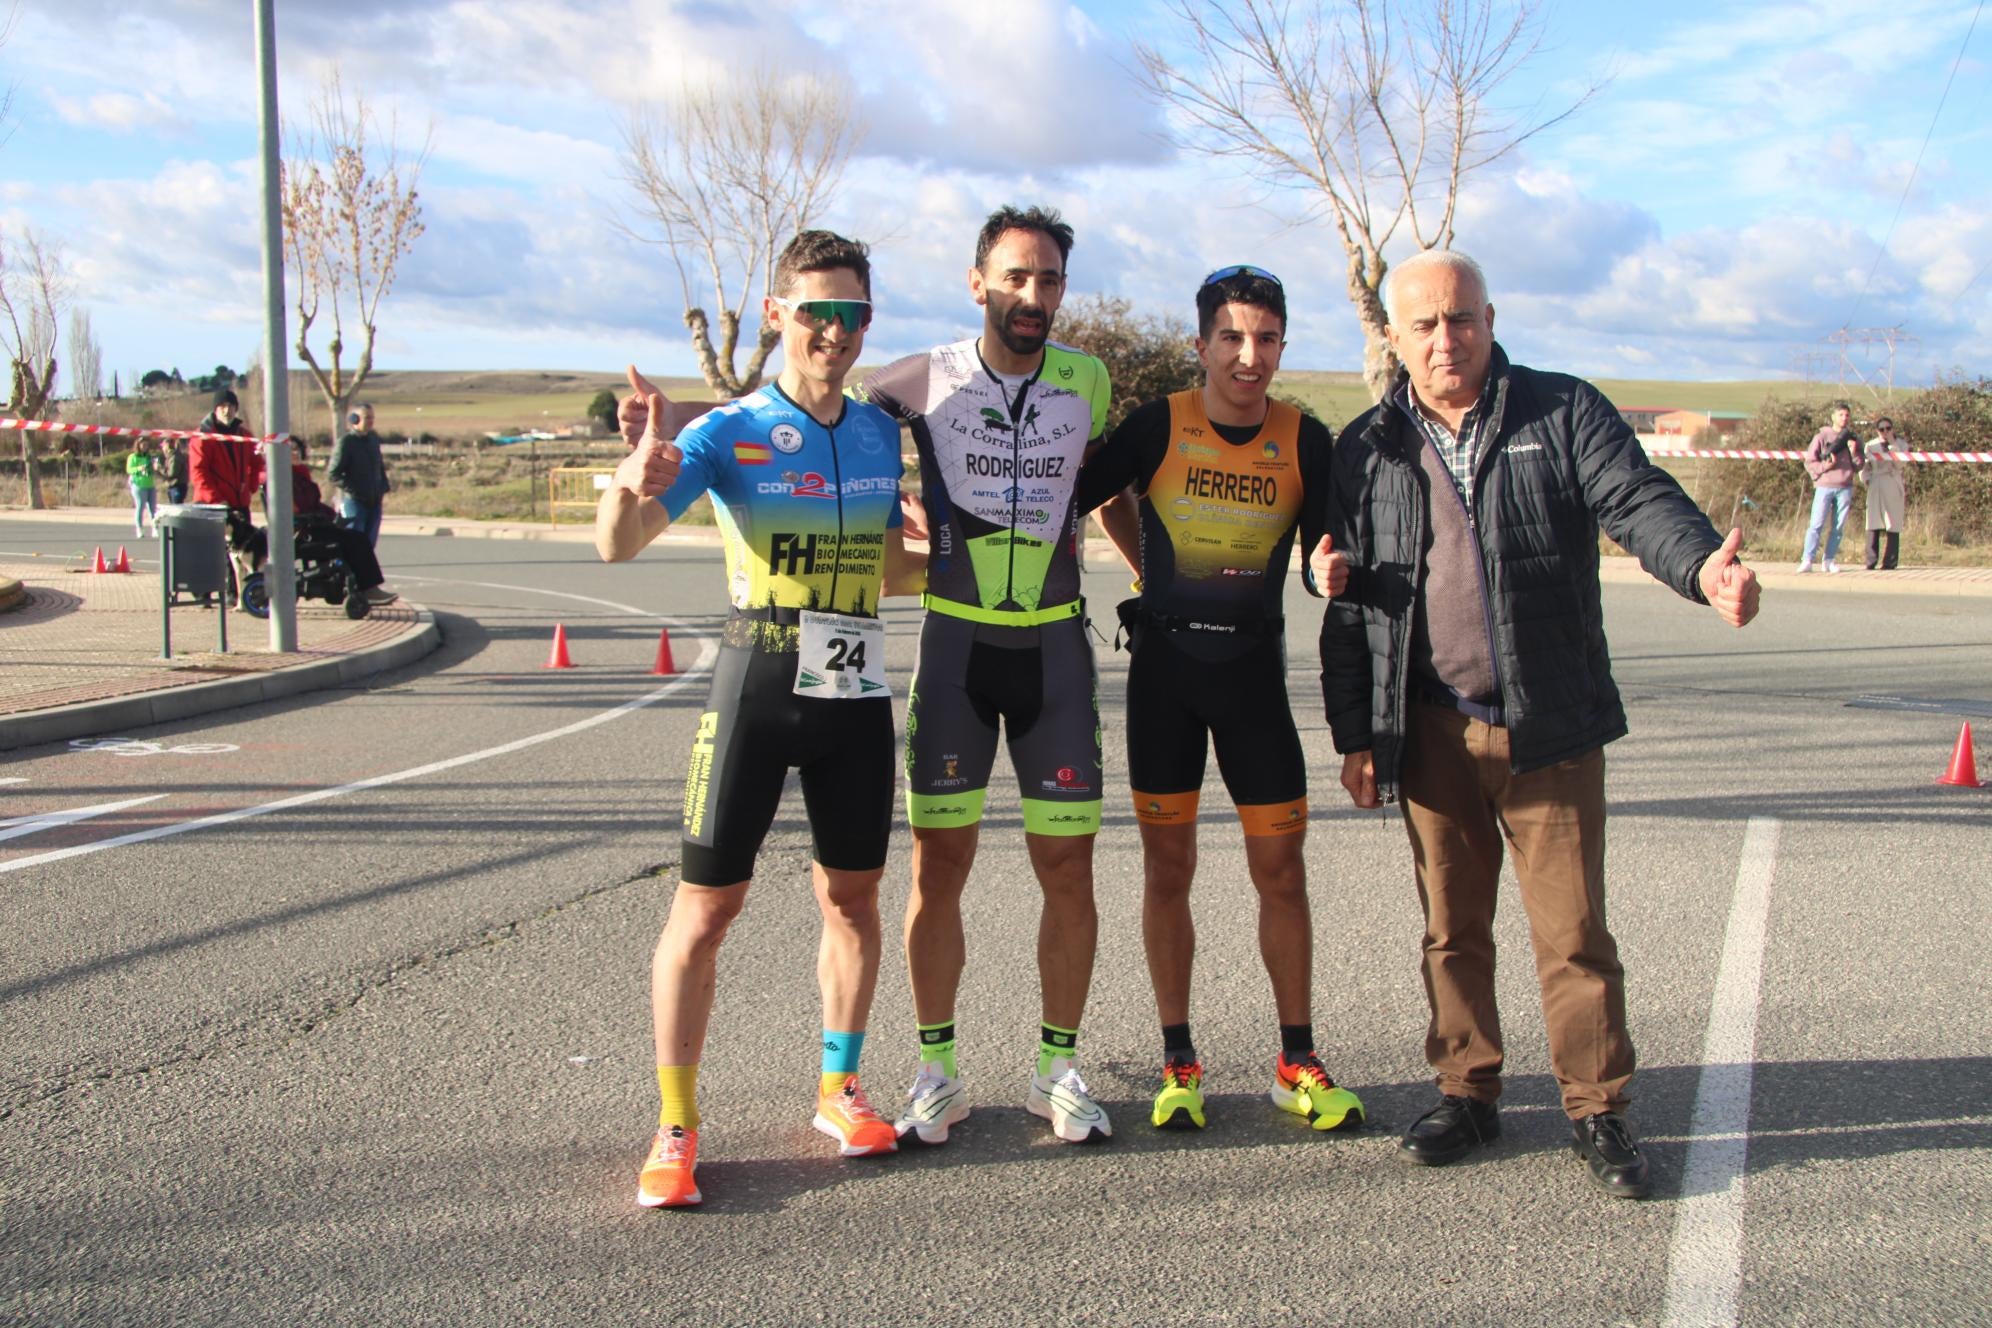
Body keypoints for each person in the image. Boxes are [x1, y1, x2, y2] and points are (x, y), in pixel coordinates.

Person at [1316, 249, 1761, 1200]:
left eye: (1463, 318)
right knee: (1451, 930)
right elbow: (1348, 603)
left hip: (1549, 726)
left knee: (1574, 934)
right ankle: (1467, 1091)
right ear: (1393, 338)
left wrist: (1701, 570)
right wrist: (1357, 735)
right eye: (1426, 325)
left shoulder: (1562, 411)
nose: (1447, 340)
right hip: (1429, 728)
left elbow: (1638, 501)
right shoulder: (1365, 448)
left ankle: (1597, 1109)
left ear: (1490, 316)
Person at [599, 231, 923, 1209]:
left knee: (854, 899)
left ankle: (839, 1085)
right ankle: (676, 1124)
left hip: (855, 678)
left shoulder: (877, 431)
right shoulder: (728, 431)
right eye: (816, 310)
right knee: (706, 909)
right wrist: (632, 476)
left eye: (852, 314)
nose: (834, 330)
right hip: (759, 675)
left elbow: (890, 572)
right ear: (778, 312)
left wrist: (938, 553)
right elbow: (619, 549)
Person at [1071, 264, 1362, 1135]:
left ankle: (1297, 1062)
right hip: (1165, 682)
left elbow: (1326, 551)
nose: (1249, 356)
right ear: (1201, 345)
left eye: (1266, 339)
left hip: (1252, 689)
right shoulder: (1161, 424)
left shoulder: (1306, 439)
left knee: (1282, 872)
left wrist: (1321, 569)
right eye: (1231, 338)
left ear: (1282, 346)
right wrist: (1144, 568)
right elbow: (1084, 495)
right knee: (1170, 872)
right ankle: (1178, 1063)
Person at [856, 205, 1122, 1147]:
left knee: (1069, 870)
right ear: (978, 284)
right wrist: (889, 520)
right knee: (940, 871)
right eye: (1014, 277)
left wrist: (1150, 578)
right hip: (956, 652)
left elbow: (1105, 483)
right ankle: (937, 1071)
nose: (1032, 295)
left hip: (1054, 654)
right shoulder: (920, 377)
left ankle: (1060, 1066)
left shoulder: (1087, 378)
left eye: (1048, 279)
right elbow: (828, 416)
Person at [287, 439, 397, 604]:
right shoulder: (283, 479)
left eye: (297, 449)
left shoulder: (300, 474)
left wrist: (331, 514)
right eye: (290, 449)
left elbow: (314, 504)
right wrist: (320, 518)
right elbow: (297, 509)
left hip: (315, 525)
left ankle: (365, 588)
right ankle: (367, 589)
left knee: (357, 538)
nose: (295, 452)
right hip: (304, 532)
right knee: (355, 541)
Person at [192, 389, 266, 603]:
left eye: (231, 406)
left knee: (240, 552)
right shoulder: (204, 435)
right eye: (222, 406)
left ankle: (236, 594)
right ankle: (204, 593)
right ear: (215, 409)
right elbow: (198, 473)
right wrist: (217, 499)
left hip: (239, 504)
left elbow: (258, 463)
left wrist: (250, 486)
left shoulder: (244, 435)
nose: (227, 410)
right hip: (211, 505)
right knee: (211, 551)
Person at [1798, 402, 1859, 573]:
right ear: (1833, 417)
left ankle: (1829, 560)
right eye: (1840, 415)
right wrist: (1825, 467)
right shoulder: (1821, 437)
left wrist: (1854, 452)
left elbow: (1859, 465)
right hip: (1825, 486)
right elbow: (1810, 461)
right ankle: (1807, 559)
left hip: (1845, 486)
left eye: (1847, 415)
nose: (1844, 418)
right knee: (1816, 524)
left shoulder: (1852, 438)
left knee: (1838, 527)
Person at [329, 402, 390, 548]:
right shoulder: (346, 442)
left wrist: (384, 486)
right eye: (367, 417)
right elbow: (333, 474)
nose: (371, 421)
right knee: (354, 544)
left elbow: (379, 466)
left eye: (372, 418)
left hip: (374, 503)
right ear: (355, 419)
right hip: (355, 503)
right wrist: (354, 489)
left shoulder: (373, 440)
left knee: (369, 546)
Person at [1859, 416, 1907, 571]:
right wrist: (1865, 479)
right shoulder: (1870, 445)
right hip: (1876, 482)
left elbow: (1900, 464)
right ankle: (1871, 560)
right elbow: (1864, 466)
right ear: (1877, 431)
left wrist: (1893, 445)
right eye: (1882, 429)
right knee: (1873, 522)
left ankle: (1890, 562)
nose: (1885, 432)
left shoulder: (1901, 444)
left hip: (1892, 482)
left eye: (1888, 428)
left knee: (1892, 523)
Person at [126, 439, 158, 538]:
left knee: (153, 509)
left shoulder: (149, 457)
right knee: (140, 507)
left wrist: (155, 467)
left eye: (146, 445)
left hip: (150, 485)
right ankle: (139, 529)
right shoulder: (133, 457)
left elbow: (152, 469)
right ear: (138, 445)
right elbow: (129, 469)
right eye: (143, 445)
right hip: (139, 485)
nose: (145, 447)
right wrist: (139, 468)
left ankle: (155, 528)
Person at [161, 437, 189, 507]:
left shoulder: (174, 458)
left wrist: (159, 468)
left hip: (177, 487)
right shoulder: (171, 457)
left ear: (167, 446)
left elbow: (172, 473)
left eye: (163, 446)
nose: (162, 449)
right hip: (174, 486)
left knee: (177, 508)